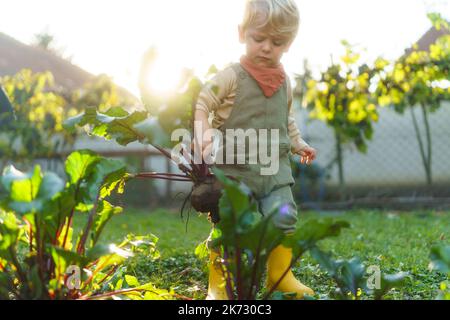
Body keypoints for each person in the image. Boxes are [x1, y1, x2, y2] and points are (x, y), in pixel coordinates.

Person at [194, 0, 317, 299]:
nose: (266, 47)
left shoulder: (285, 81)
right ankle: (219, 284)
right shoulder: (230, 76)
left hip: (275, 171)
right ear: (241, 33)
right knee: (231, 224)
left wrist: (297, 142)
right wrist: (204, 132)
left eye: (277, 42)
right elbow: (202, 103)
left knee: (283, 217)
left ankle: (280, 276)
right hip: (235, 173)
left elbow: (285, 118)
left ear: (289, 43)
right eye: (258, 38)